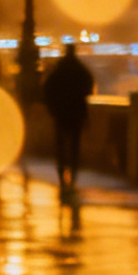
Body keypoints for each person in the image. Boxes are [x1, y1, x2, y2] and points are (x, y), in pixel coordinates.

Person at [41, 47, 94, 197]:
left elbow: (47, 90)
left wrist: (53, 108)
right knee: (74, 148)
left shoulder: (57, 72)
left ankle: (62, 178)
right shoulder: (81, 71)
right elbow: (89, 88)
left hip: (61, 114)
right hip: (77, 114)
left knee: (60, 148)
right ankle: (73, 179)